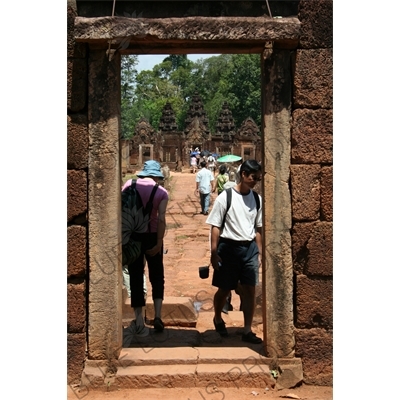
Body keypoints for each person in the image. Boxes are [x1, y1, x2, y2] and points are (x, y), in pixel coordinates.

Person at [205, 159, 263, 344]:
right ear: (244, 175)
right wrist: (214, 252)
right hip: (228, 247)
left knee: (250, 290)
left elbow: (258, 228)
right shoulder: (226, 197)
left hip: (249, 249)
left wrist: (259, 252)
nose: (255, 181)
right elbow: (215, 225)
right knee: (224, 289)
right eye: (253, 177)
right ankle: (217, 317)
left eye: (258, 178)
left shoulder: (257, 199)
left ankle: (247, 329)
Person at [126, 160, 169, 336]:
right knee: (157, 275)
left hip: (133, 236)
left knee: (135, 275)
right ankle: (157, 315)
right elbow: (161, 219)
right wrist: (159, 242)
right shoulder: (161, 192)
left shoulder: (129, 185)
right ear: (157, 176)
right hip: (152, 235)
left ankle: (138, 320)